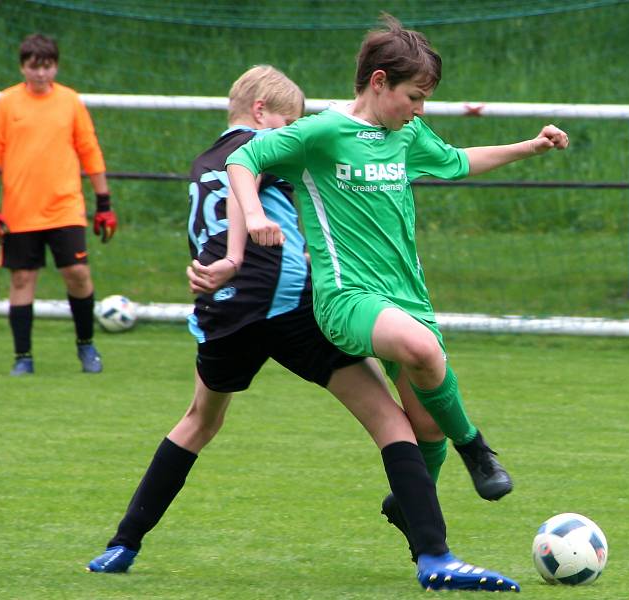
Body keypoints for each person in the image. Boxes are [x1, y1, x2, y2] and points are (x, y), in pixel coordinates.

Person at [86, 65, 520, 592]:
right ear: (264, 113)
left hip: (223, 316)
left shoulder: (202, 162)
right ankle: (434, 555)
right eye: (289, 120)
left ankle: (122, 543)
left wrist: (220, 267)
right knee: (392, 421)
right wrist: (244, 252)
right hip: (288, 306)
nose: (294, 129)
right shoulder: (280, 145)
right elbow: (278, 175)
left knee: (197, 421)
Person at [227, 13, 568, 516]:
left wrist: (531, 147)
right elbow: (244, 159)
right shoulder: (321, 131)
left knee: (426, 427)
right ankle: (476, 447)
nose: (419, 109)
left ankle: (413, 514)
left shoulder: (408, 136)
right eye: (414, 97)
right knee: (421, 347)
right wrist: (254, 213)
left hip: (407, 295)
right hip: (347, 297)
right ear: (380, 82)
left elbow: (457, 160)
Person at [0, 33, 117, 376]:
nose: (41, 74)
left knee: (77, 273)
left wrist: (104, 202)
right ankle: (22, 357)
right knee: (23, 279)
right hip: (20, 211)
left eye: (47, 67)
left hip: (65, 207)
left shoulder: (70, 101)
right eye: (34, 67)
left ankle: (86, 346)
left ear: (56, 66)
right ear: (23, 67)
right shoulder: (7, 103)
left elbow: (89, 150)